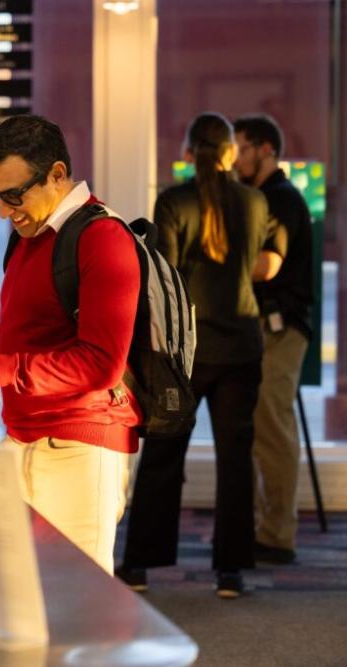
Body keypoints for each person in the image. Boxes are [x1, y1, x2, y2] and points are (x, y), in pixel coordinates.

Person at [0, 114, 142, 575]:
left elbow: (101, 363)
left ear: (57, 174)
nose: (3, 211)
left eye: (13, 196)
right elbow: (28, 337)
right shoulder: (31, 234)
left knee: (77, 600)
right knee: (14, 590)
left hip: (79, 448)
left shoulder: (102, 239)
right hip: (26, 437)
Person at [119, 113, 283, 598]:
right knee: (235, 459)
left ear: (190, 152)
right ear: (231, 152)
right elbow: (261, 263)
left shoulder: (174, 201)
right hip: (242, 346)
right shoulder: (256, 201)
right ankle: (230, 573)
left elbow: (164, 276)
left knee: (164, 455)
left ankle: (139, 566)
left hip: (186, 352)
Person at [234, 114, 314, 565]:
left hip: (281, 329)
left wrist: (219, 267)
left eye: (242, 149)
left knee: (272, 428)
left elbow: (268, 266)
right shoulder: (262, 197)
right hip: (262, 327)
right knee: (258, 428)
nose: (235, 159)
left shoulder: (280, 198)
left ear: (266, 150)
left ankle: (278, 536)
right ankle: (261, 529)